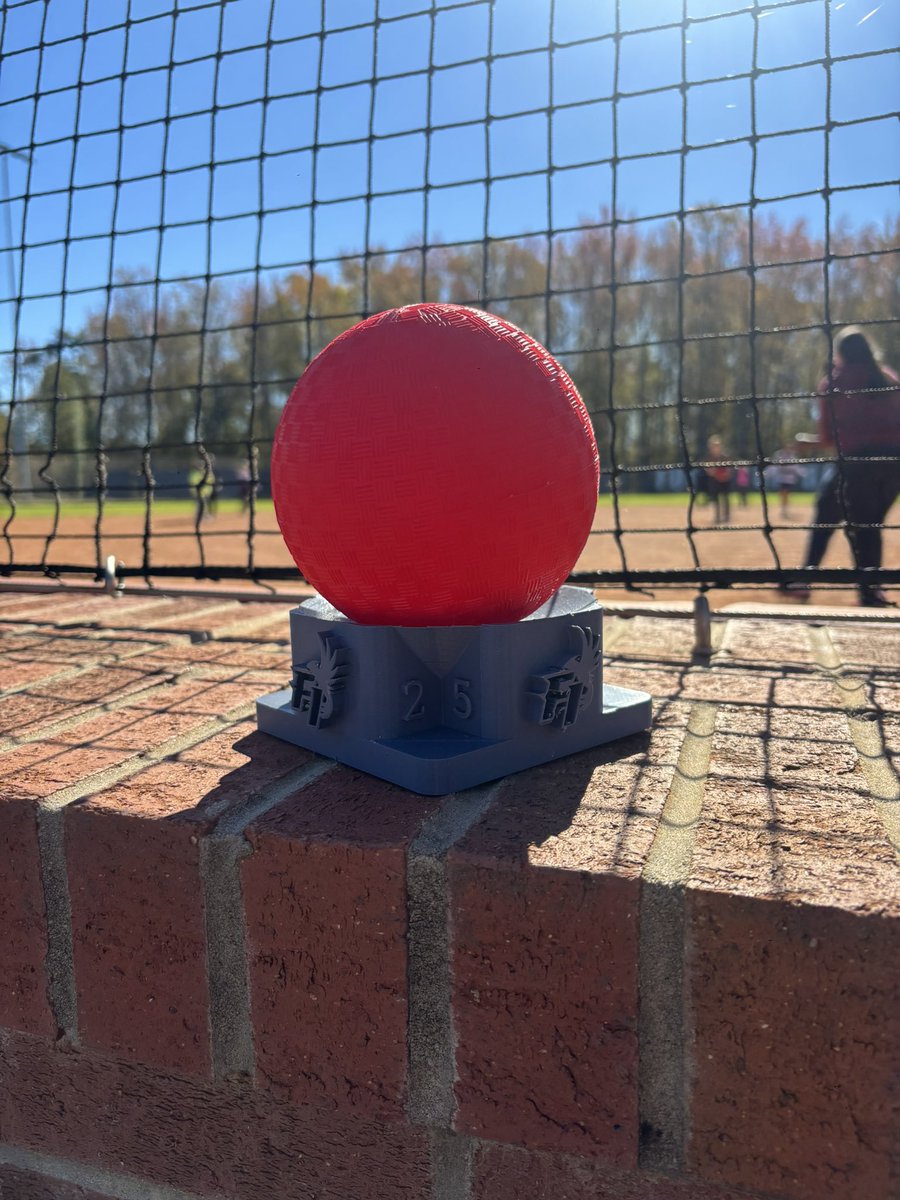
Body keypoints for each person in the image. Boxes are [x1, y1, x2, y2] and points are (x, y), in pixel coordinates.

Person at [781, 327, 900, 607]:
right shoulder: (888, 377)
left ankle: (813, 580)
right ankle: (869, 589)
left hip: (856, 464)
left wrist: (806, 442)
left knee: (832, 516)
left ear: (840, 354)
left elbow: (827, 439)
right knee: (866, 523)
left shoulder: (835, 382)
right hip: (894, 465)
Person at [704, 435, 733, 524]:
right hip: (714, 480)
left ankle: (727, 517)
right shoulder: (709, 458)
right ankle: (717, 517)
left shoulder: (724, 457)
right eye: (713, 446)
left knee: (725, 498)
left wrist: (726, 474)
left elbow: (729, 468)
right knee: (715, 499)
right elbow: (707, 469)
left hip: (725, 480)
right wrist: (712, 472)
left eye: (717, 446)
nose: (715, 448)